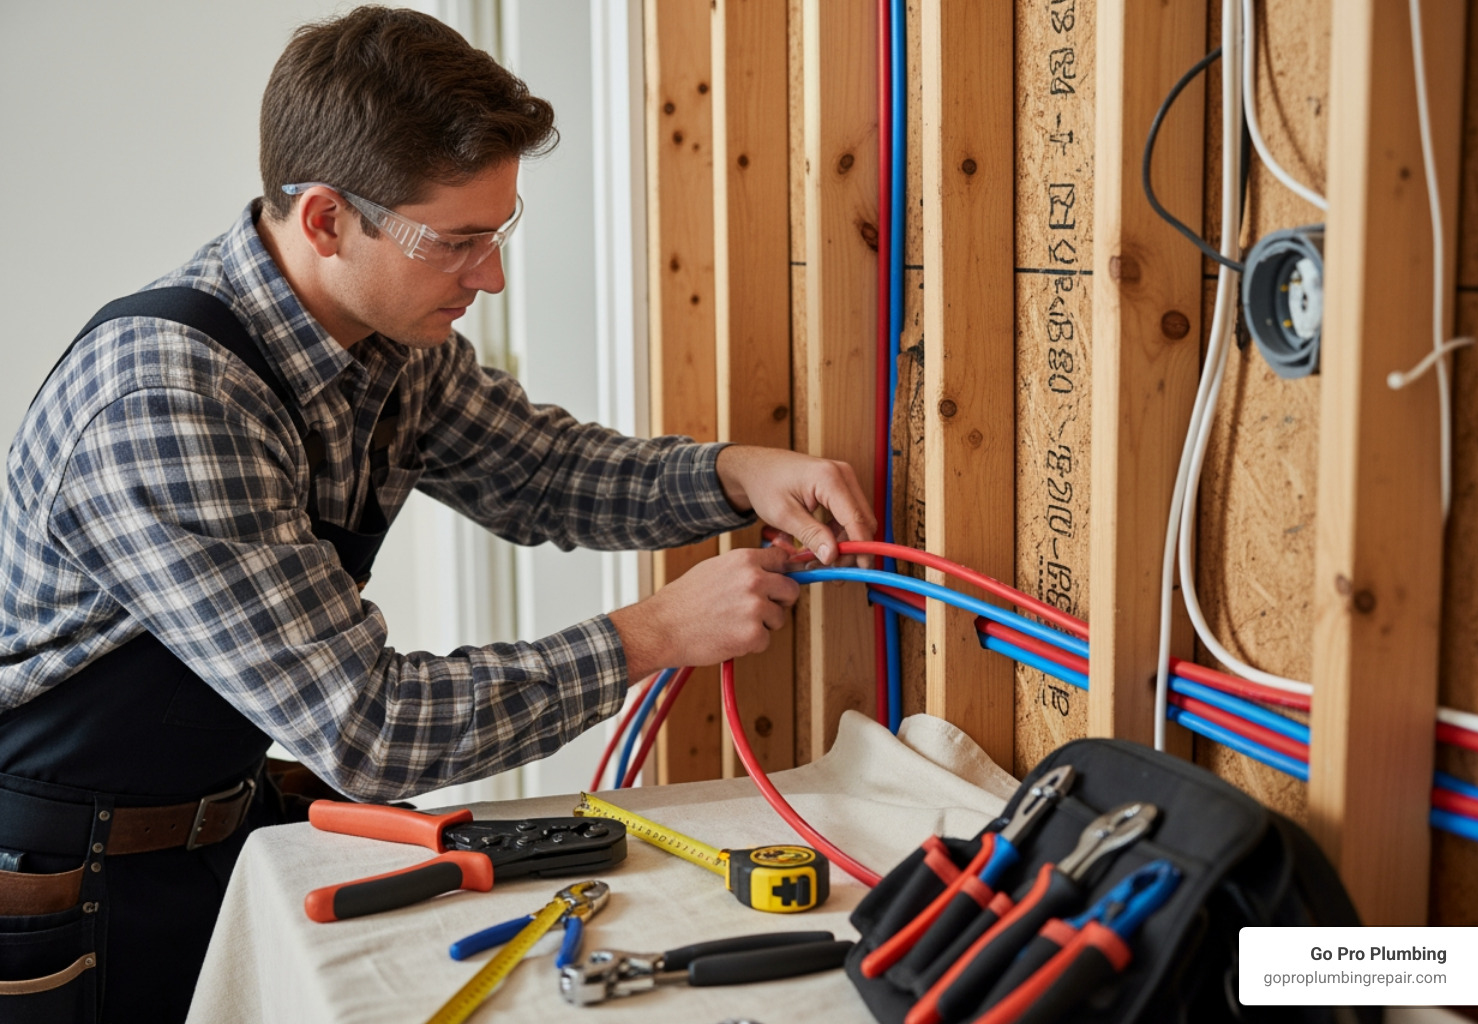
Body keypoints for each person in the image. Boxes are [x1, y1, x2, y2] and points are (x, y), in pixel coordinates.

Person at [0, 7, 873, 1021]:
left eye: (497, 234)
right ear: (326, 218)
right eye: (457, 242)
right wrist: (656, 634)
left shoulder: (393, 342)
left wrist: (732, 473)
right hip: (70, 895)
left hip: (221, 839)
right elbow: (367, 728)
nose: (490, 275)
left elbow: (542, 473)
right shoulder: (165, 399)